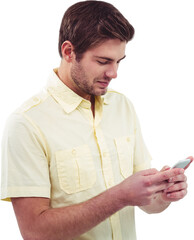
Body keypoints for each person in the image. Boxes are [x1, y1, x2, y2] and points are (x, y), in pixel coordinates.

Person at [0, 1, 192, 240]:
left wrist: (162, 195)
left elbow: (147, 202)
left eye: (118, 61)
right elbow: (34, 231)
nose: (114, 73)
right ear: (69, 52)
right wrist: (119, 196)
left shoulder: (122, 107)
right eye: (103, 61)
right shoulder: (26, 123)